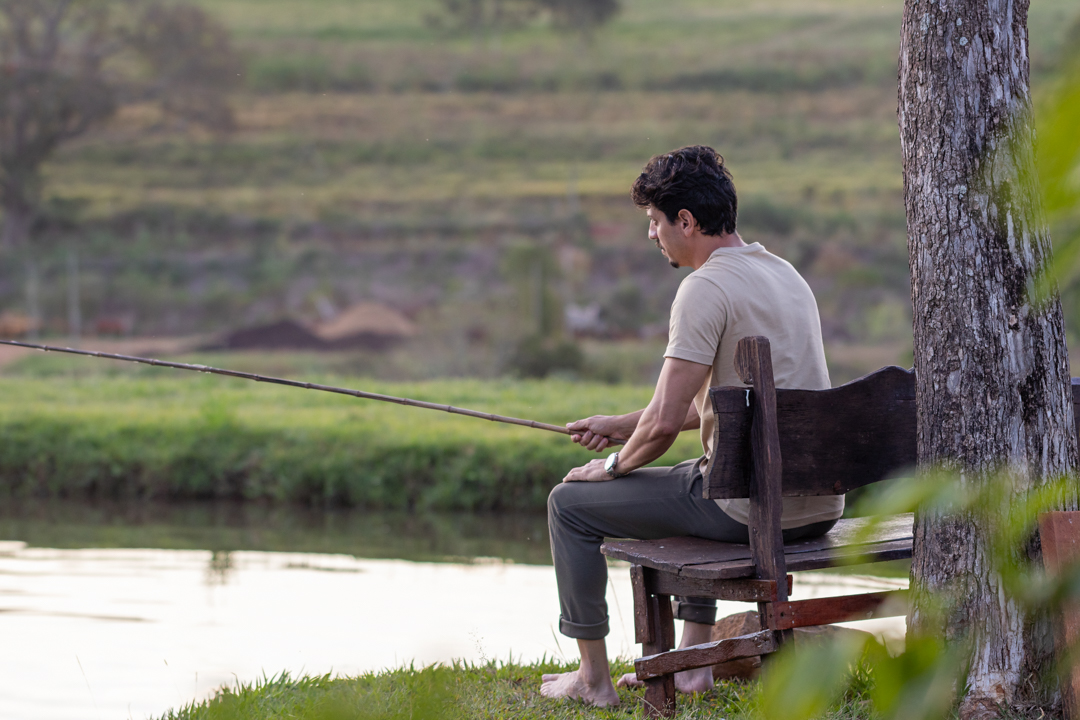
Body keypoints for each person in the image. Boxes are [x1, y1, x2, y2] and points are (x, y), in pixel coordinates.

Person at [539, 145, 843, 706]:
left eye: (655, 221)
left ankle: (592, 680)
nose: (652, 235)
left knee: (568, 504)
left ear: (687, 220)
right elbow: (696, 411)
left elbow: (659, 430)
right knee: (698, 476)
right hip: (817, 509)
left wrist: (611, 465)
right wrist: (620, 425)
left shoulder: (704, 288)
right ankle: (693, 668)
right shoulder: (784, 274)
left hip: (749, 509)